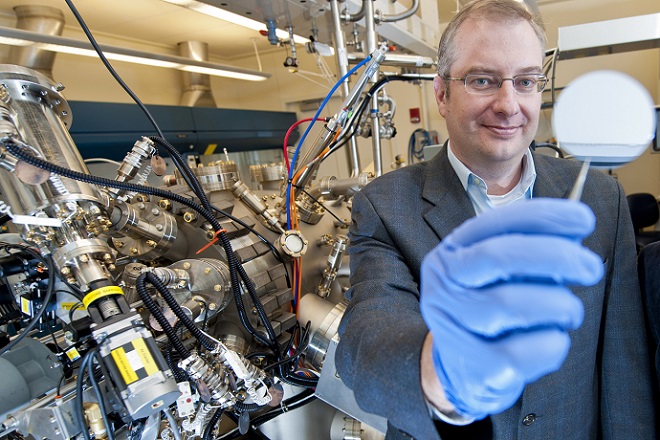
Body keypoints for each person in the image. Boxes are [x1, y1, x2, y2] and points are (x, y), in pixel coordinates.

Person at [335, 0, 657, 439]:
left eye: (525, 82)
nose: (509, 105)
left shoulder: (602, 198)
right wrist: (442, 370)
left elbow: (624, 361)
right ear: (442, 94)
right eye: (483, 80)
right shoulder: (386, 205)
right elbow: (367, 337)